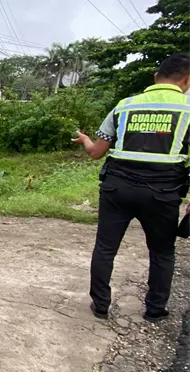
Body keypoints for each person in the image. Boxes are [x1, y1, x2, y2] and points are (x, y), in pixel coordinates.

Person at [73, 53, 190, 322]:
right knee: (162, 251)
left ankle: (100, 306)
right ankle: (155, 310)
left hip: (117, 189)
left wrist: (86, 140)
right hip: (163, 194)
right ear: (186, 80)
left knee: (105, 248)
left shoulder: (123, 107)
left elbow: (96, 152)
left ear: (155, 78)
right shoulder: (187, 110)